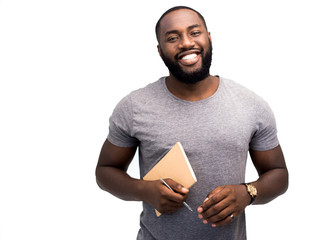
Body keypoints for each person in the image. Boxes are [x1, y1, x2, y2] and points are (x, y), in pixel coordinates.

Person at [96, 6, 288, 240]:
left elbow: (278, 174)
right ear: (160, 50)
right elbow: (105, 171)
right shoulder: (134, 106)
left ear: (209, 38)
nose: (186, 43)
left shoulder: (251, 105)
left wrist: (248, 192)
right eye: (172, 38)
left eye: (194, 33)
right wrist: (145, 190)